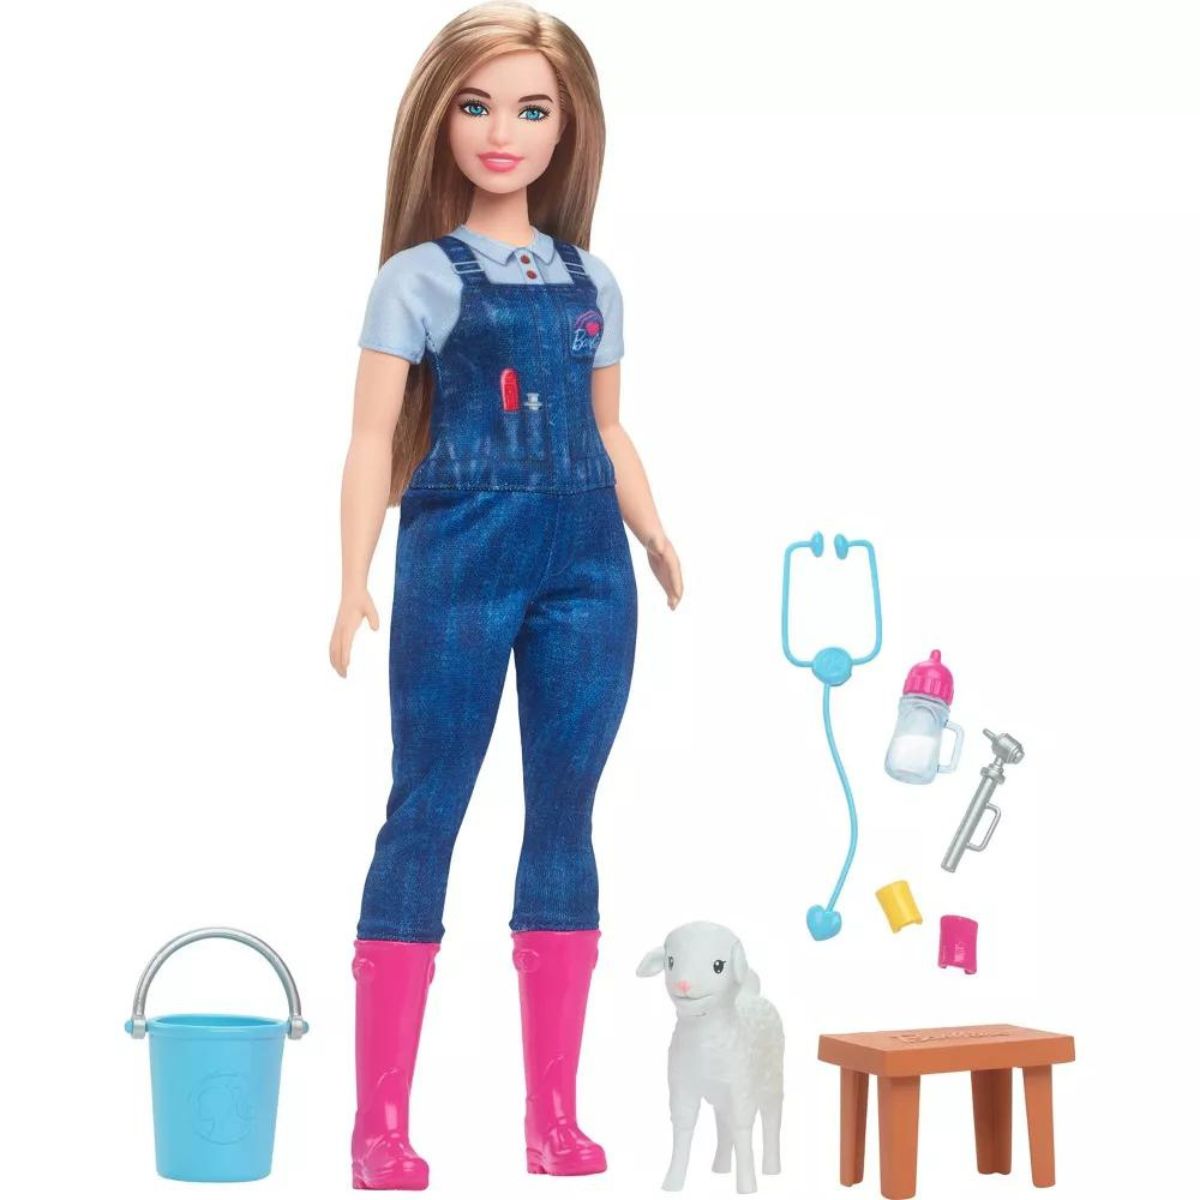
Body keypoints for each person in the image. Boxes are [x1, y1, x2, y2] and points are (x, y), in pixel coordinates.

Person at [328, 3, 682, 1189]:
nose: (501, 131)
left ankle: (554, 1121)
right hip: (462, 551)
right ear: (439, 119)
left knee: (566, 817)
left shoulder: (594, 280)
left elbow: (609, 429)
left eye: (531, 109)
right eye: (477, 105)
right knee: (425, 807)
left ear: (566, 129)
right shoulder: (418, 279)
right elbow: (370, 437)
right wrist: (352, 576)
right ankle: (379, 1127)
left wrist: (653, 529)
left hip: (589, 561)